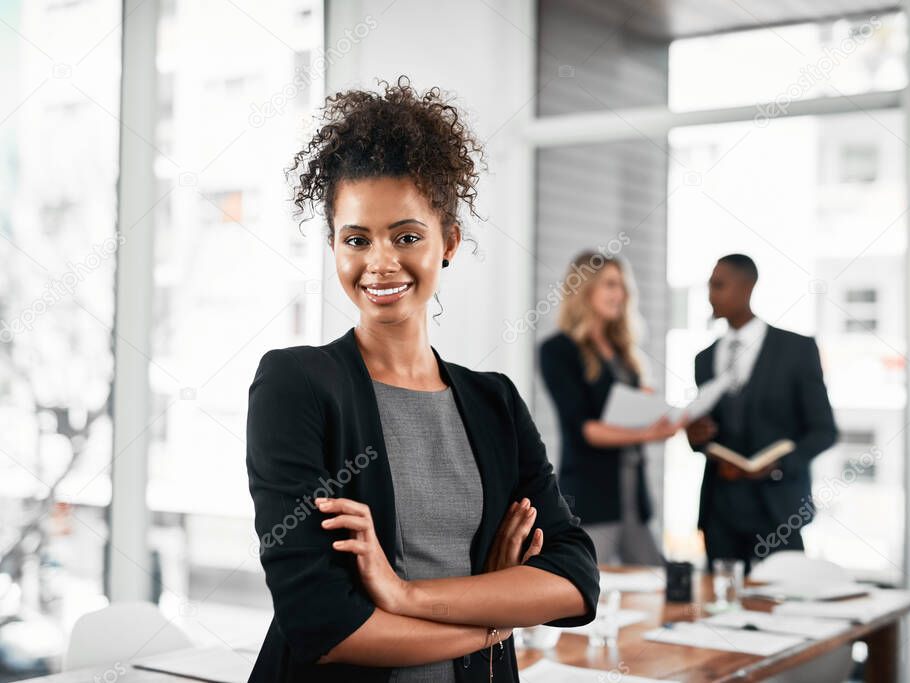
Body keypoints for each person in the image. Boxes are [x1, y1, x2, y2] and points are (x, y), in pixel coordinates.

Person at [245, 77, 598, 683]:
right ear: (334, 247)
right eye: (357, 239)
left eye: (407, 236)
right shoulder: (295, 384)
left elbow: (575, 579)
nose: (381, 262)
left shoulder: (495, 402)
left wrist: (404, 595)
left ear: (449, 243)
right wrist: (494, 613)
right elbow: (323, 627)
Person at [687, 254, 838, 574]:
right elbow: (703, 432)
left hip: (778, 509)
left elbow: (824, 430)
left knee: (782, 603)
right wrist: (696, 437)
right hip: (721, 510)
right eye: (709, 286)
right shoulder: (704, 359)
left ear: (747, 287)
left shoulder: (796, 350)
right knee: (721, 605)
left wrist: (780, 464)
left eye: (719, 285)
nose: (710, 295)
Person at [539, 252, 684, 566]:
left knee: (655, 581)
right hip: (591, 498)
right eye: (610, 285)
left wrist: (653, 415)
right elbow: (586, 429)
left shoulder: (624, 353)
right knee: (590, 591)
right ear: (585, 289)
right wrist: (647, 432)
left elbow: (625, 417)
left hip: (633, 497)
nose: (620, 294)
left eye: (622, 286)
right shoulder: (558, 351)